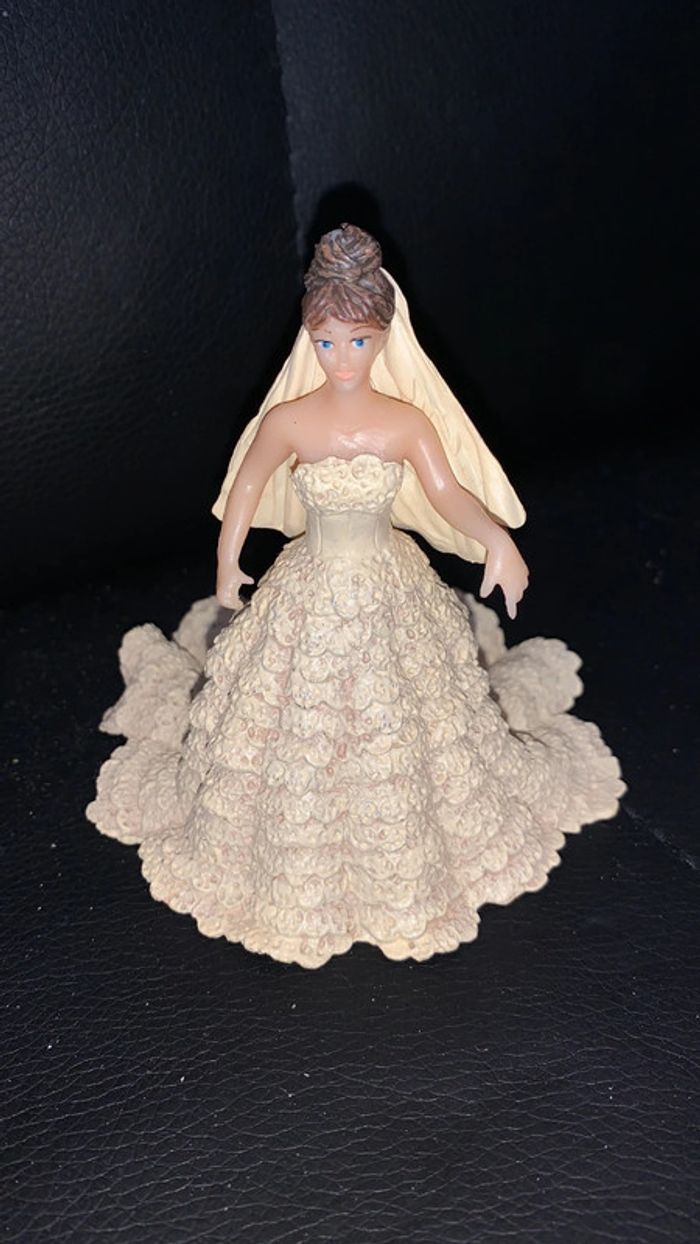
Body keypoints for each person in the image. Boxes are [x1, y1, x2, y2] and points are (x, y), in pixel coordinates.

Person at [87, 224, 624, 968]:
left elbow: (447, 491)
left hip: (388, 581)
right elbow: (245, 488)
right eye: (327, 342)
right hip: (309, 584)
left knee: (408, 707)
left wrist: (497, 541)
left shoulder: (405, 423)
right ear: (309, 339)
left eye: (359, 341)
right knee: (285, 709)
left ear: (383, 338)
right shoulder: (289, 421)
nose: (342, 358)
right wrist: (227, 562)